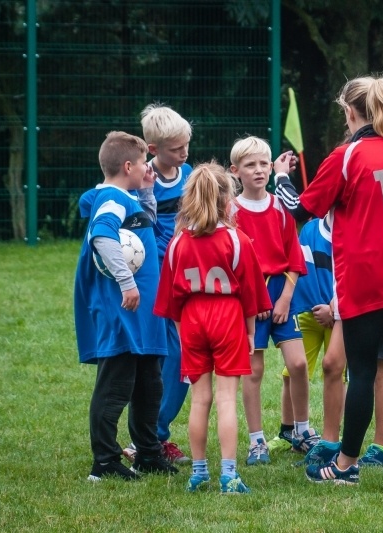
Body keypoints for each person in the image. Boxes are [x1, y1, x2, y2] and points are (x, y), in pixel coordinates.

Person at [274, 74, 383, 492]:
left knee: (363, 373)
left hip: (368, 279)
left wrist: (281, 182)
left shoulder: (347, 155)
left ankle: (347, 464)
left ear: (350, 112)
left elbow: (303, 211)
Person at [153, 161, 271, 493]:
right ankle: (229, 474)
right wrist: (250, 333)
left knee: (200, 398)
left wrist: (182, 329)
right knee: (226, 400)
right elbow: (251, 295)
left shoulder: (177, 243)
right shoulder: (237, 240)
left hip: (191, 319)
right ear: (226, 200)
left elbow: (170, 299)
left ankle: (199, 471)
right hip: (227, 316)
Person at [74, 131, 178, 481]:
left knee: (149, 382)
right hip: (123, 310)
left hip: (144, 313)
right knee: (116, 384)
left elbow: (143, 225)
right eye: (144, 165)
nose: (150, 169)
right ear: (128, 165)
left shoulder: (128, 198)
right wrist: (127, 282)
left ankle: (147, 454)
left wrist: (147, 190)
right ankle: (103, 462)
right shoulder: (111, 200)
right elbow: (102, 235)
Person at [229, 136, 320, 466]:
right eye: (250, 165)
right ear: (235, 171)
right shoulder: (231, 212)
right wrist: (252, 302)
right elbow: (230, 261)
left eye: (263, 164)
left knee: (297, 364)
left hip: (282, 295)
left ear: (271, 168)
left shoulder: (281, 208)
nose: (258, 170)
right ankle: (256, 442)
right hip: (248, 301)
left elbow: (294, 257)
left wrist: (284, 299)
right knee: (253, 370)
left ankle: (303, 431)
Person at [122, 103, 193, 464]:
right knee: (159, 357)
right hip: (154, 280)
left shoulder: (190, 175)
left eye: (186, 146)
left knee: (184, 359)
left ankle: (154, 436)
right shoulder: (139, 182)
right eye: (176, 148)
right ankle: (148, 439)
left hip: (187, 278)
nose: (184, 153)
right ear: (153, 150)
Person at [268, 215, 347, 466]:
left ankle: (329, 437)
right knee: (292, 372)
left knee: (336, 374)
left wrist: (332, 308)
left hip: (337, 316)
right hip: (307, 311)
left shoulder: (351, 230)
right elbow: (299, 267)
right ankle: (288, 431)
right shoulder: (310, 228)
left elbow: (348, 276)